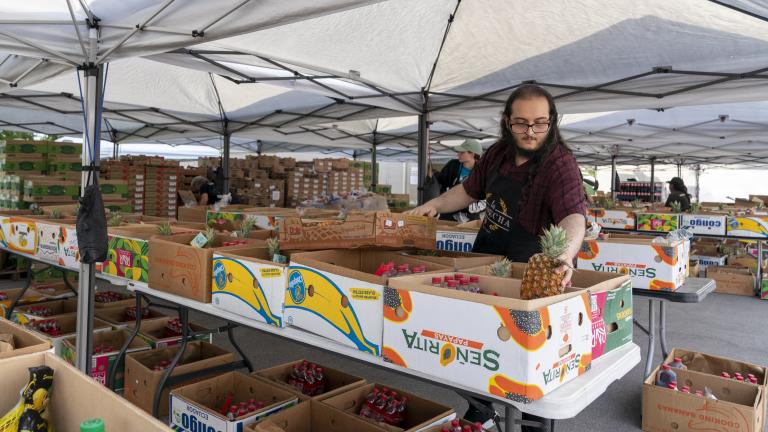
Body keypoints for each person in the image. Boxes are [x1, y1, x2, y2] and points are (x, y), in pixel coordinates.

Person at [406, 84, 587, 428]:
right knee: (468, 344)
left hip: (530, 276)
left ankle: (531, 423)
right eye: (520, 123)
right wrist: (433, 204)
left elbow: (574, 216)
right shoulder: (497, 153)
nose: (530, 132)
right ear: (507, 121)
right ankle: (482, 408)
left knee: (527, 364)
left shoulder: (560, 164)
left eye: (539, 123)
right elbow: (468, 190)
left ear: (552, 122)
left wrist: (564, 254)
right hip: (486, 260)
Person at [435, 139, 484, 221]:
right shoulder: (452, 165)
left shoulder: (482, 171)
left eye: (462, 152)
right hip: (448, 215)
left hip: (470, 219)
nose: (458, 154)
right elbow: (440, 184)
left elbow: (485, 197)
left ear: (472, 154)